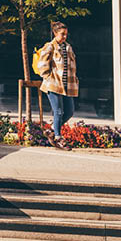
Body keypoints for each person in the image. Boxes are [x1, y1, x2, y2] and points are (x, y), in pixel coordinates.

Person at [38, 21, 78, 150]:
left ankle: (51, 129)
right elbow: (42, 65)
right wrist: (48, 77)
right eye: (62, 34)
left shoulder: (68, 47)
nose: (65, 36)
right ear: (55, 33)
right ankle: (58, 138)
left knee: (70, 112)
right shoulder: (50, 47)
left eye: (66, 34)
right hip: (54, 84)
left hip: (67, 86)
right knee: (59, 112)